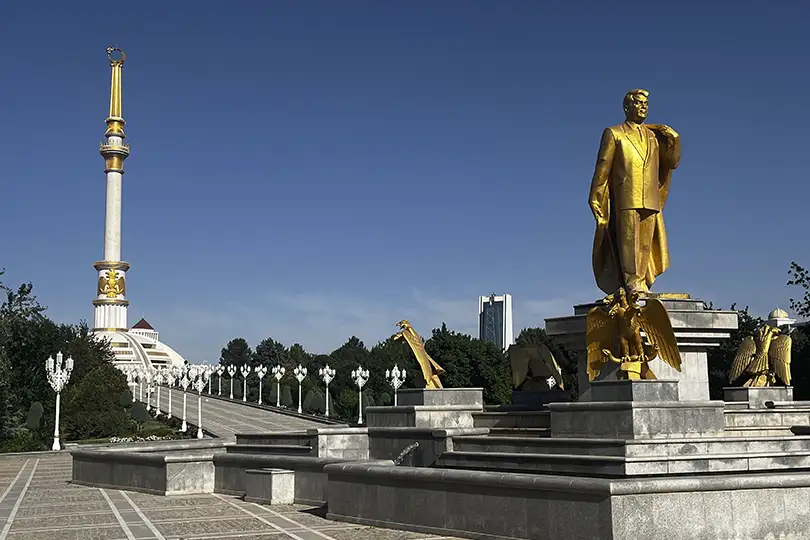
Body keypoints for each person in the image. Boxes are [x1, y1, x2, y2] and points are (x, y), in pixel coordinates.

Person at [589, 89, 681, 294]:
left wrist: (674, 138)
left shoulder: (654, 137)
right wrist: (596, 195)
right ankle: (632, 282)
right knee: (629, 241)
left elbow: (672, 163)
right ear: (627, 107)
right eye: (638, 103)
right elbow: (603, 166)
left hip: (649, 195)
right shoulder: (614, 133)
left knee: (646, 244)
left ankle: (641, 281)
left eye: (646, 104)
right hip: (626, 195)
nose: (643, 107)